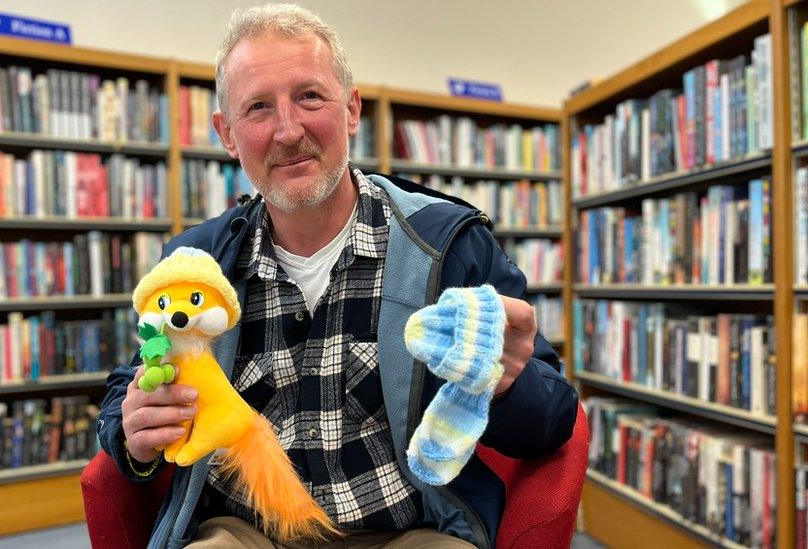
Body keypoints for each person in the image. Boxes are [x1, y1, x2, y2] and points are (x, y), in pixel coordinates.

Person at [97, 4, 578, 548]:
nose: (287, 130)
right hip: (247, 531)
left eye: (309, 96)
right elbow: (128, 389)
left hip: (412, 530)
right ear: (228, 135)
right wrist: (132, 433)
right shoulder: (196, 262)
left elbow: (554, 418)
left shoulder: (448, 245)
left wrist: (507, 382)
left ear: (351, 110)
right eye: (258, 107)